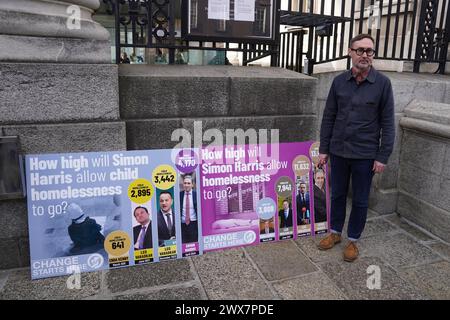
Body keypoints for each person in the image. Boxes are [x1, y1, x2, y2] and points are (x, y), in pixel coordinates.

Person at [317, 34, 395, 262]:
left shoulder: (382, 84)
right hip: (339, 151)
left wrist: (383, 156)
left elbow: (388, 123)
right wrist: (324, 148)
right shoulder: (339, 82)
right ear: (350, 52)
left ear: (373, 55)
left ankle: (353, 240)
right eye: (360, 50)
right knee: (338, 194)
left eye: (369, 51)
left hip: (365, 154)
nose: (365, 55)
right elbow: (329, 116)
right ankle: (335, 233)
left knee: (361, 199)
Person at [179, 175, 198, 244]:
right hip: (182, 224)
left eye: (188, 183)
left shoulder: (197, 195)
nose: (186, 185)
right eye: (185, 183)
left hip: (194, 223)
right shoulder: (179, 195)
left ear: (192, 185)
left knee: (193, 244)